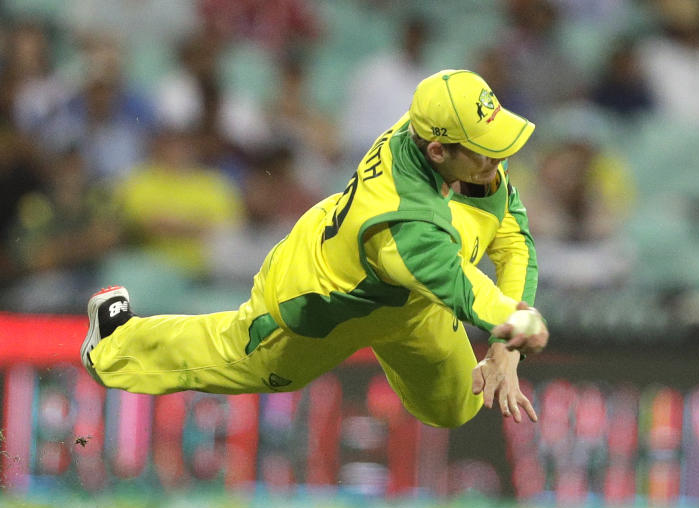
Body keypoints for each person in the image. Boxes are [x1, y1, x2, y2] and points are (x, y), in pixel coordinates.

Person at [80, 69, 549, 428]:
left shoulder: (443, 134)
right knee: (244, 363)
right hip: (326, 300)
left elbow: (512, 241)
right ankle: (116, 341)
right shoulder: (403, 221)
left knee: (456, 406)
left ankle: (404, 339)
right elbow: (468, 291)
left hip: (413, 300)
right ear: (437, 153)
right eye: (485, 149)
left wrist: (505, 352)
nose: (499, 158)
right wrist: (519, 325)